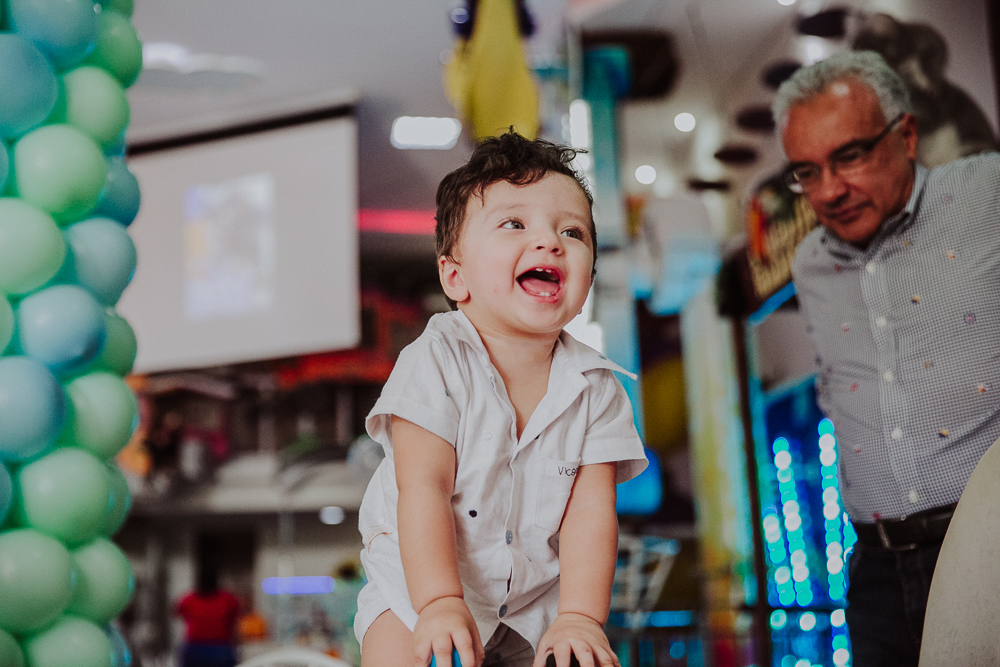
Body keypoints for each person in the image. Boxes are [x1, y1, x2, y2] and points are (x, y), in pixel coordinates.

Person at [354, 130, 647, 667]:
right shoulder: (436, 359)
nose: (550, 242)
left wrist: (581, 617)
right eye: (514, 224)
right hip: (419, 585)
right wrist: (441, 602)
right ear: (455, 275)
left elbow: (590, 512)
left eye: (572, 232)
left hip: (535, 603)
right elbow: (423, 487)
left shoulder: (597, 387)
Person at [774, 50, 1000, 665]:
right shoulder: (811, 264)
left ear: (905, 134)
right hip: (873, 570)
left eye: (848, 156)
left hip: (988, 548)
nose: (829, 190)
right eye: (806, 171)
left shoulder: (988, 194)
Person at [176, 562, 241, 667]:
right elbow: (235, 621)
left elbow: (177, 613)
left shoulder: (189, 599)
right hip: (220, 647)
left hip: (196, 647)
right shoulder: (228, 599)